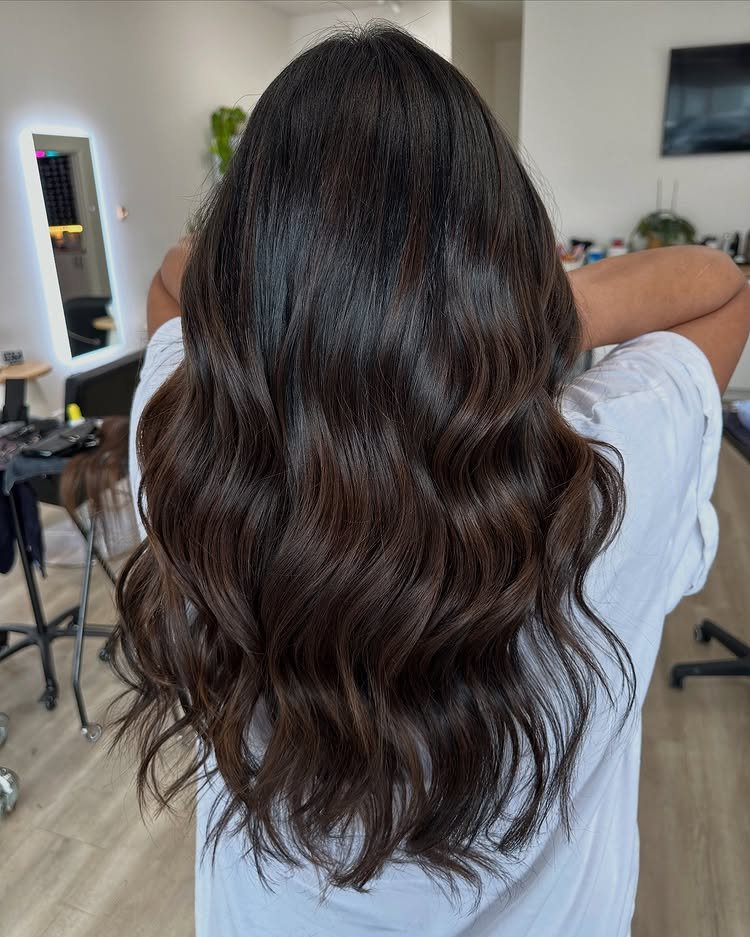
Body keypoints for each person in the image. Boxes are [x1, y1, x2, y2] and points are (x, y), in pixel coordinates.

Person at [116, 25, 750, 937]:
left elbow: (174, 278)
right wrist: (535, 318)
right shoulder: (609, 473)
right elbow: (721, 284)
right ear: (503, 264)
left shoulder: (186, 467)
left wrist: (273, 310)